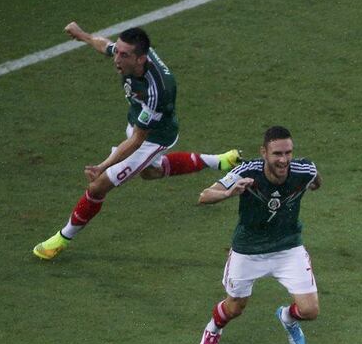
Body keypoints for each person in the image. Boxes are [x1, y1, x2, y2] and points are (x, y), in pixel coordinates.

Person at [32, 22, 241, 260]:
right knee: (151, 172)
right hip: (139, 124)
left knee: (98, 185)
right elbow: (105, 46)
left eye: (123, 55)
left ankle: (61, 239)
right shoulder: (131, 57)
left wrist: (104, 165)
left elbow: (136, 142)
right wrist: (83, 36)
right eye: (118, 52)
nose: (116, 59)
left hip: (154, 138)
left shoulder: (157, 91)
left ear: (140, 60)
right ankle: (220, 161)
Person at [196, 126, 322, 344]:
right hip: (248, 250)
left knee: (310, 310)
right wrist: (227, 193)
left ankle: (287, 317)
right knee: (234, 308)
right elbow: (204, 195)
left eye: (288, 153)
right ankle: (213, 329)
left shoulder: (304, 169)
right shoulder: (246, 171)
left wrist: (312, 185)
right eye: (277, 154)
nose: (284, 160)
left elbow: (314, 179)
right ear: (263, 152)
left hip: (288, 248)